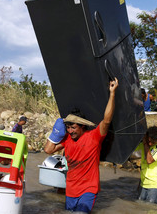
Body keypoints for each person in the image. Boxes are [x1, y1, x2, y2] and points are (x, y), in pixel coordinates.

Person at [44, 78, 118, 213]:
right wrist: (56, 131)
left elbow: (107, 120)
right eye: (68, 128)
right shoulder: (67, 138)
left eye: (73, 127)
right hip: (71, 189)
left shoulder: (94, 137)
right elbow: (48, 150)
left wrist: (112, 93)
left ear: (82, 126)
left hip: (88, 189)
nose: (70, 131)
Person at [135, 126, 157, 204]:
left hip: (155, 184)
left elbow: (149, 160)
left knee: (151, 209)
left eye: (153, 142)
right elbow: (131, 150)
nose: (150, 143)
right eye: (149, 140)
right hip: (143, 183)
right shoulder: (144, 144)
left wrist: (146, 144)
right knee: (139, 207)